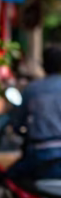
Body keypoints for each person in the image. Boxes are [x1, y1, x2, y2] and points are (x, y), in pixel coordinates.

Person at [8, 44, 61, 183]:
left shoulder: (32, 89)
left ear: (43, 66)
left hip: (39, 156)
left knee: (8, 178)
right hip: (45, 158)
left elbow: (17, 123)